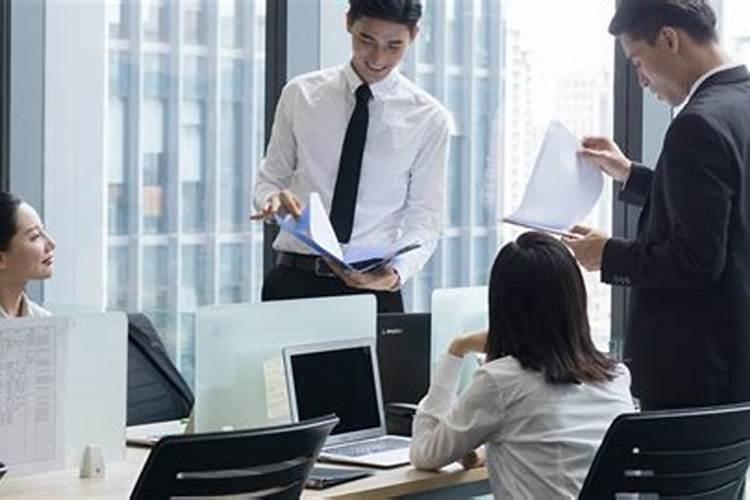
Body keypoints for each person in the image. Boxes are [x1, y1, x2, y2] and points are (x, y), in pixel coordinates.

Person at [564, 0, 750, 411]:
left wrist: (607, 254)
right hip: (735, 368)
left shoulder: (696, 125)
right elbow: (727, 211)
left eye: (637, 62)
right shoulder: (740, 104)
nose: (642, 81)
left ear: (669, 39)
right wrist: (630, 173)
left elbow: (697, 259)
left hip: (695, 377)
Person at [252, 0, 450, 313]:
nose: (377, 58)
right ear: (348, 23)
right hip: (294, 281)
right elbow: (270, 179)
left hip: (373, 289)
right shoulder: (301, 94)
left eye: (394, 46)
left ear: (414, 34)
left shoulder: (428, 117)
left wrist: (396, 273)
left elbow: (425, 218)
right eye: (366, 40)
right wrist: (272, 201)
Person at [410, 232, 633, 499]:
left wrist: (457, 349)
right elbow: (555, 445)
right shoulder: (617, 376)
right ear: (575, 300)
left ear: (503, 306)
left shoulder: (500, 381)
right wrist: (487, 449)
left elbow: (425, 454)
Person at [0, 192, 56, 318]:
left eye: (43, 231)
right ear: (1, 259)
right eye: (35, 236)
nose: (51, 244)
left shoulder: (43, 320)